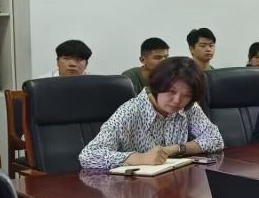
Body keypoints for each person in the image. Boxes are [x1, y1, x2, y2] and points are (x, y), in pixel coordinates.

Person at [79, 56, 224, 169]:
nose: (177, 101)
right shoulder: (130, 111)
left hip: (173, 183)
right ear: (157, 85)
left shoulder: (188, 108)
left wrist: (175, 149)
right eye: (171, 91)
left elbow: (215, 138)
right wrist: (141, 158)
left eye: (187, 95)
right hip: (134, 188)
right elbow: (88, 155)